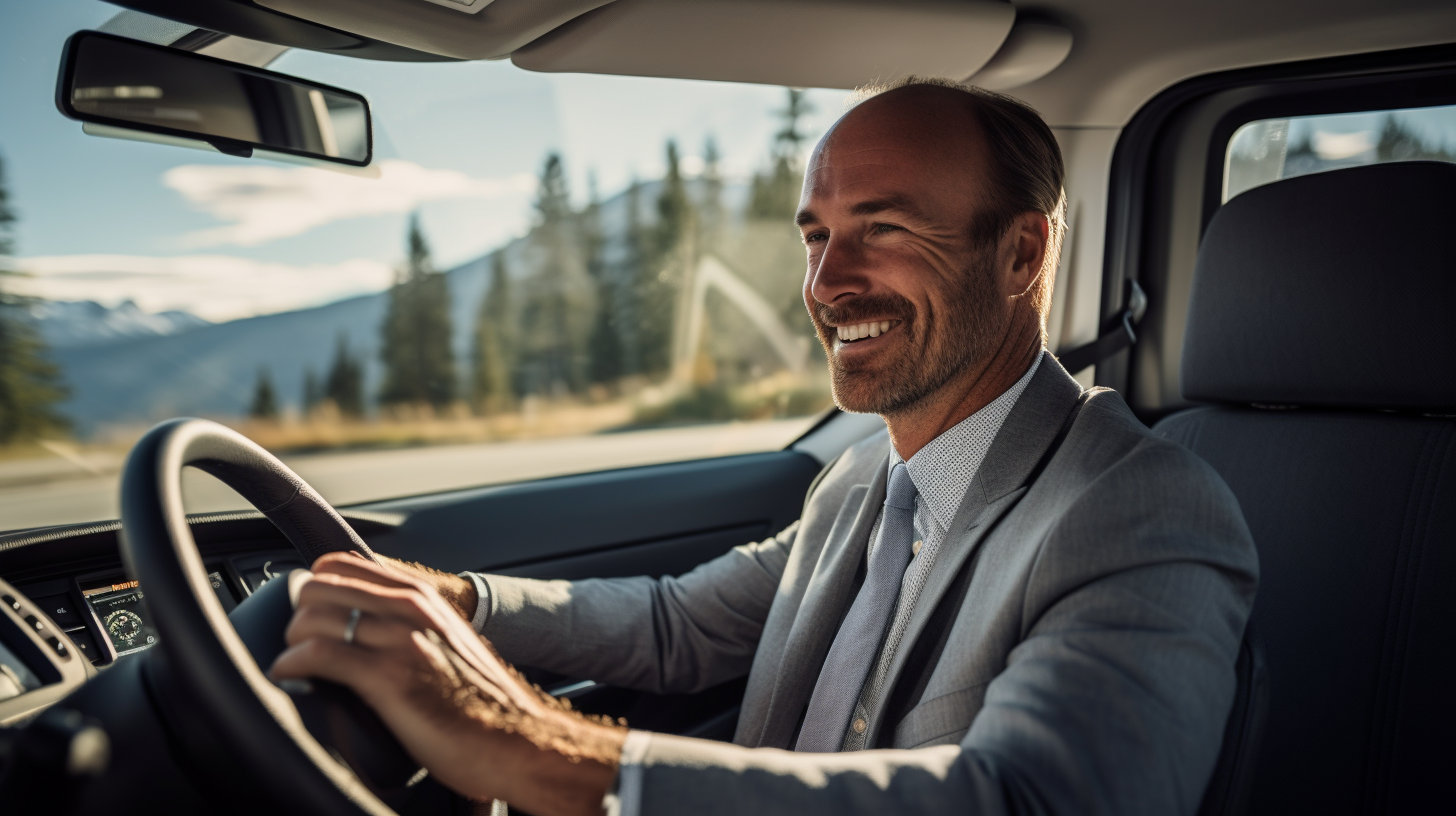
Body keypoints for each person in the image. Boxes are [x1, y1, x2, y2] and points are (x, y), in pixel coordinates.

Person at [269, 78, 1259, 816]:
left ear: (1021, 254)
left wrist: (541, 748)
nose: (827, 284)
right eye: (815, 236)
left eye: (881, 228)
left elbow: (1026, 800)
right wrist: (454, 602)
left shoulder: (1140, 508)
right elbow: (674, 626)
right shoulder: (864, 478)